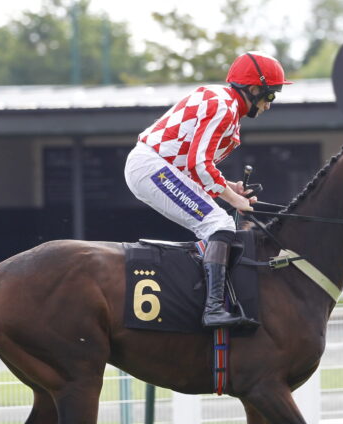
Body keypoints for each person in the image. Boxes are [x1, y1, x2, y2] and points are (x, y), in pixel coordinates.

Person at [124, 51, 291, 329]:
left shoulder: (225, 104)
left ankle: (210, 298)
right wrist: (234, 197)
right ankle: (212, 308)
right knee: (219, 224)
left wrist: (230, 187)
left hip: (156, 166)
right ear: (253, 89)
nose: (269, 105)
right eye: (269, 96)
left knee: (218, 224)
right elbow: (198, 164)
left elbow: (195, 168)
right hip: (151, 166)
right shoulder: (225, 108)